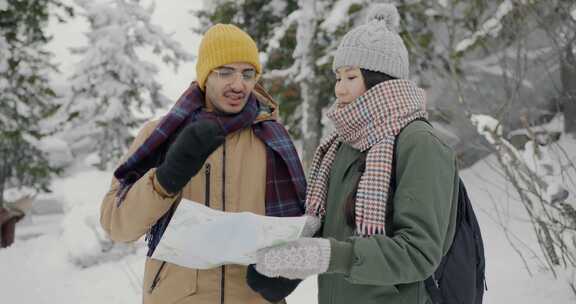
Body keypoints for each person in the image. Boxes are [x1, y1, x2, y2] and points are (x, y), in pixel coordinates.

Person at [254, 4, 460, 304]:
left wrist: (330, 255)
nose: (339, 89)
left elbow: (419, 253)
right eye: (338, 78)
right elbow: (335, 230)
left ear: (382, 79)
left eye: (350, 77)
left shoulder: (419, 143)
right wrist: (292, 258)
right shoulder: (342, 142)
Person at [100, 23, 316, 304]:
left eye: (248, 73)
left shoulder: (274, 141)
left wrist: (291, 270)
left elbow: (302, 226)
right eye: (225, 72)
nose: (239, 85)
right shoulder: (160, 135)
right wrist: (164, 181)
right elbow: (117, 226)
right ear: (205, 75)